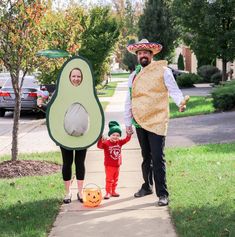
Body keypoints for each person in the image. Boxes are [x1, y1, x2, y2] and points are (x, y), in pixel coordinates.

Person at [124, 39, 187, 206]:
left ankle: (163, 193)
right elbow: (129, 99)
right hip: (139, 120)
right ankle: (147, 186)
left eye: (146, 52)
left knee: (158, 157)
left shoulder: (163, 71)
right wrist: (127, 122)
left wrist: (180, 102)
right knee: (146, 157)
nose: (143, 55)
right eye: (140, 53)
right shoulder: (134, 75)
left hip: (157, 119)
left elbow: (173, 89)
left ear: (152, 55)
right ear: (137, 56)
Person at [97, 121, 132, 199]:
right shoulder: (106, 143)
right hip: (109, 165)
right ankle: (108, 192)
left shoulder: (119, 142)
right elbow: (99, 146)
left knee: (115, 179)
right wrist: (100, 140)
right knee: (109, 179)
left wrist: (129, 135)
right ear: (110, 135)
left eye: (117, 135)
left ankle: (113, 191)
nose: (115, 137)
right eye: (113, 135)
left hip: (117, 165)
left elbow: (126, 139)